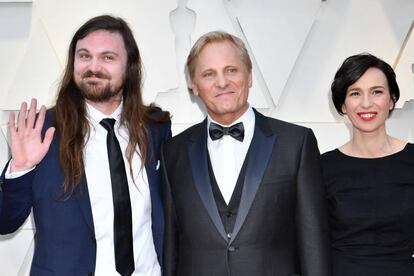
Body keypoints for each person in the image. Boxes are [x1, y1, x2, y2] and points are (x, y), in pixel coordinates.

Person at [0, 15, 171, 276]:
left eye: (108, 57)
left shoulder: (155, 127)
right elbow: (5, 221)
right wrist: (21, 167)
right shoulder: (41, 129)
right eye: (84, 56)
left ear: (130, 66)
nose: (93, 66)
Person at [161, 31, 330, 276]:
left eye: (231, 70)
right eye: (209, 74)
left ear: (249, 76)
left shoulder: (296, 143)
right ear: (194, 86)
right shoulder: (172, 152)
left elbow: (313, 240)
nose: (222, 82)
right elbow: (171, 245)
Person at [322, 53, 414, 275]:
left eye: (377, 92)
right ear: (343, 104)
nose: (366, 103)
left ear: (391, 99)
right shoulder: (320, 167)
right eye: (355, 93)